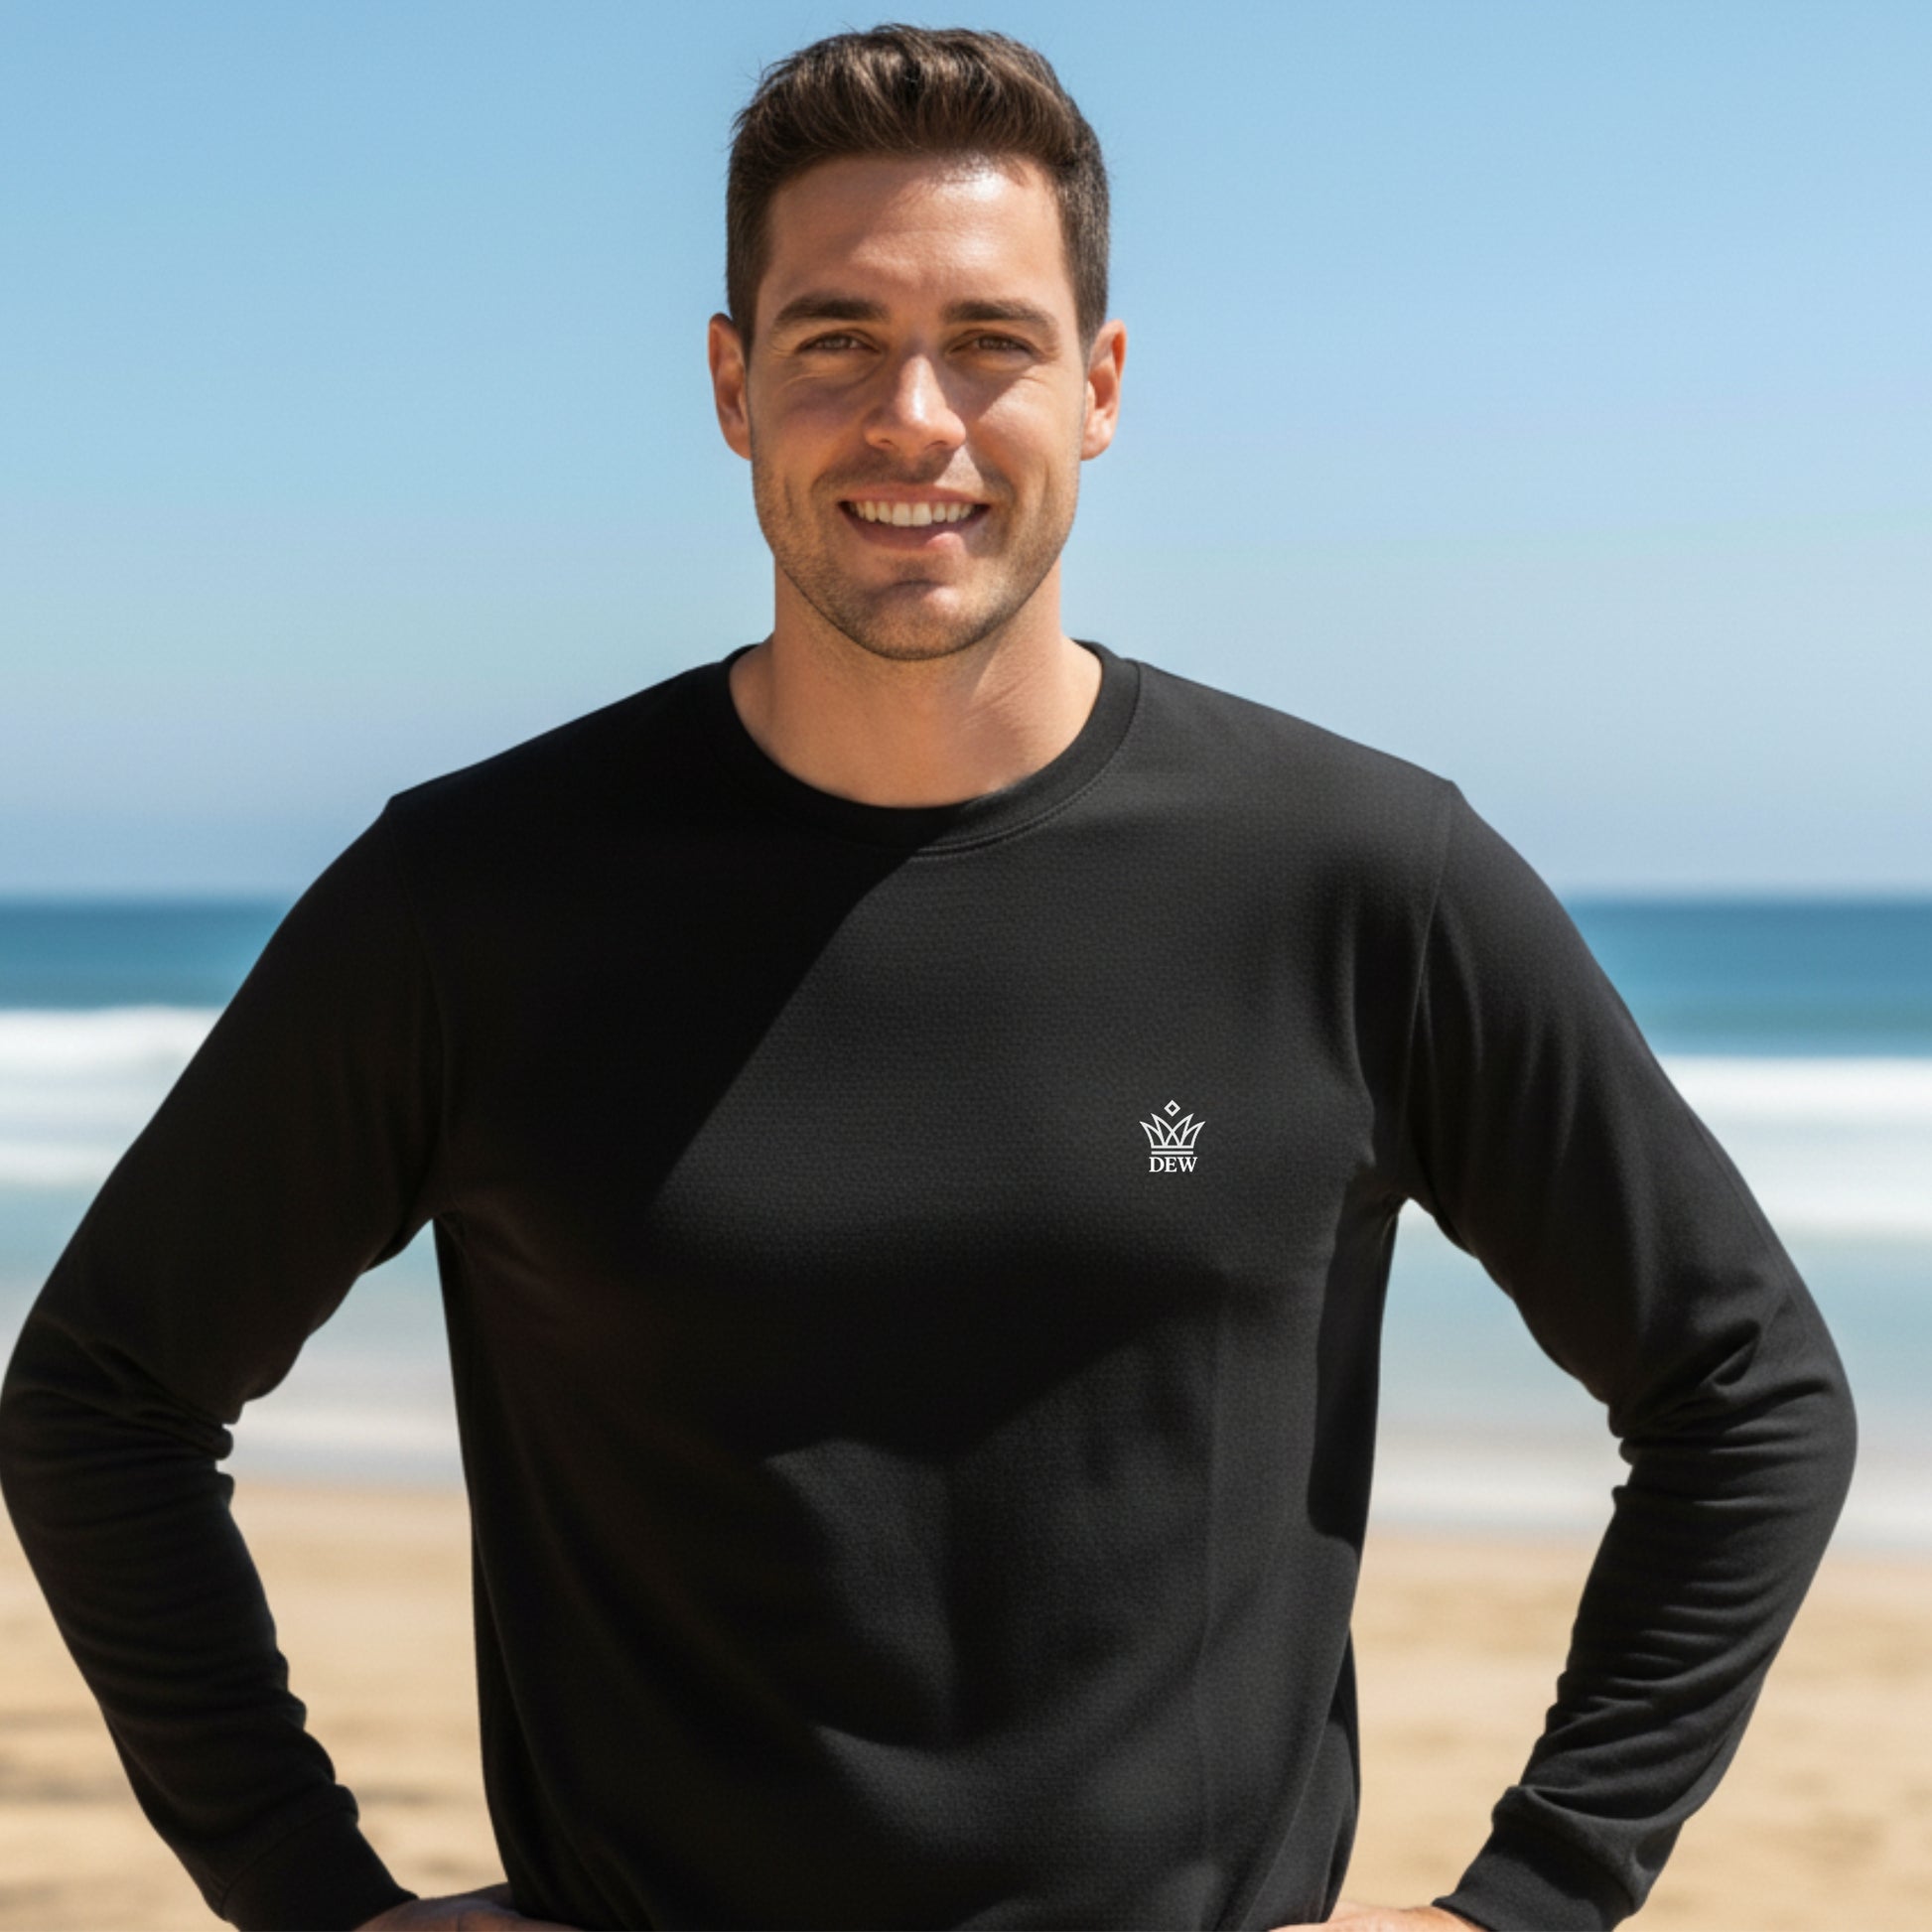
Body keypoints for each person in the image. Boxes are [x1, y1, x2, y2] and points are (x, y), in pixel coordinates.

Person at [0, 24, 1856, 1932]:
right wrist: (321, 1899)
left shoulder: (1358, 876)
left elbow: (1747, 1390)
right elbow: (100, 1398)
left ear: (1100, 384)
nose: (914, 417)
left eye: (990, 341)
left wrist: (1532, 1897)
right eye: (833, 341)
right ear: (730, 386)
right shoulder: (478, 898)